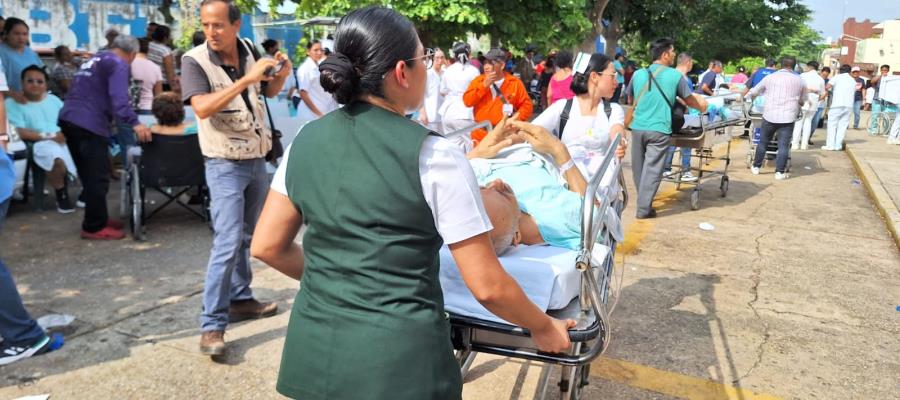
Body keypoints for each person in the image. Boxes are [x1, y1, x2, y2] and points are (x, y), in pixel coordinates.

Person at [250, 7, 573, 399]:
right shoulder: (433, 155)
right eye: (424, 58)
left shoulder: (306, 140)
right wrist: (543, 327)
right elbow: (487, 285)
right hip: (399, 367)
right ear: (402, 72)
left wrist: (342, 281)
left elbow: (267, 246)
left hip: (314, 357)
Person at [181, 0, 291, 357]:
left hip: (256, 158)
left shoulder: (248, 49)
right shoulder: (194, 60)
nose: (211, 32)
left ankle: (240, 299)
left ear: (236, 24)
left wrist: (281, 75)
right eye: (206, 25)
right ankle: (212, 325)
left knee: (247, 236)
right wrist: (245, 77)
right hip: (224, 163)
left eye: (218, 25)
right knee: (227, 242)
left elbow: (266, 92)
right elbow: (201, 108)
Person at [59, 35, 151, 240]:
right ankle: (93, 227)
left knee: (89, 174)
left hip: (70, 118)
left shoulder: (95, 60)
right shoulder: (119, 63)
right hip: (88, 122)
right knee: (98, 176)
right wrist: (135, 122)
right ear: (133, 54)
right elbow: (120, 98)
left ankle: (98, 217)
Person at [624, 38, 707, 218]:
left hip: (637, 127)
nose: (674, 55)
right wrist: (702, 106)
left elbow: (629, 98)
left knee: (639, 168)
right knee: (653, 169)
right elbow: (689, 100)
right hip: (659, 128)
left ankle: (643, 202)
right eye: (673, 52)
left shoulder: (638, 74)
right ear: (665, 54)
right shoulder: (675, 76)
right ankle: (643, 209)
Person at [530, 52, 627, 179]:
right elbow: (532, 130)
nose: (616, 82)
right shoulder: (563, 108)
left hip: (601, 186)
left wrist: (620, 142)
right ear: (594, 77)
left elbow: (617, 129)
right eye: (612, 76)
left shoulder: (613, 110)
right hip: (569, 184)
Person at [5, 65, 77, 213]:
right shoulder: (12, 104)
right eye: (30, 81)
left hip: (62, 138)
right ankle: (61, 195)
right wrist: (50, 136)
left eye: (40, 81)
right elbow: (21, 132)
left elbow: (66, 120)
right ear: (22, 83)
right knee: (55, 158)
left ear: (46, 84)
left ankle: (86, 193)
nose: (35, 85)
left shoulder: (53, 100)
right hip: (37, 142)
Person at [745, 56, 805, 179]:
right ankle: (779, 172)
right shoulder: (800, 80)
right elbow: (803, 100)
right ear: (793, 67)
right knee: (783, 145)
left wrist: (752, 99)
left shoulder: (770, 78)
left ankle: (756, 167)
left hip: (769, 115)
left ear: (780, 65)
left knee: (763, 142)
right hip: (788, 117)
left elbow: (754, 92)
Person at [463, 48, 533, 144]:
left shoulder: (514, 83)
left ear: (502, 65)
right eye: (485, 63)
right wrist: (484, 86)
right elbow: (467, 101)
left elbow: (527, 106)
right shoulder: (478, 81)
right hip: (480, 136)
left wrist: (516, 118)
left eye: (491, 63)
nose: (486, 67)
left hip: (504, 135)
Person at [663, 52, 697, 182]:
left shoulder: (669, 75)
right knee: (686, 142)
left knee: (672, 141)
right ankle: (685, 170)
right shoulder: (684, 79)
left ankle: (666, 169)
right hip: (681, 114)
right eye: (691, 63)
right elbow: (687, 98)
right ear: (688, 63)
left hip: (668, 114)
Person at [438, 42, 480, 135]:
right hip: (465, 114)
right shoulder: (474, 71)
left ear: (455, 55)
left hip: (447, 113)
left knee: (452, 146)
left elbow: (442, 91)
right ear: (468, 54)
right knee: (470, 147)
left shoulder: (448, 70)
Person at [0, 18, 43, 103]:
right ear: (6, 34)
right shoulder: (2, 52)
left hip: (33, 100)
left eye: (24, 34)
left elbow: (42, 73)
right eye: (16, 34)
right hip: (9, 103)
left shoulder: (30, 52)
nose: (21, 38)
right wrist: (13, 94)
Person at [296, 40, 338, 119]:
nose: (319, 53)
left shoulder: (319, 66)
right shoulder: (305, 69)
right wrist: (318, 113)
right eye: (316, 50)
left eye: (321, 50)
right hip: (309, 115)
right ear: (308, 51)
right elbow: (303, 93)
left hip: (321, 113)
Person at [792, 60, 825, 150]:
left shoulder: (802, 76)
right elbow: (823, 93)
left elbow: (797, 88)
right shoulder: (820, 79)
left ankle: (795, 144)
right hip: (814, 102)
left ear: (809, 67)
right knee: (808, 122)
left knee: (799, 123)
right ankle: (804, 144)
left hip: (803, 101)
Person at [823, 64, 856, 151]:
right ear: (849, 71)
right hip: (848, 106)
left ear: (840, 70)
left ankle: (830, 145)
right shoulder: (853, 80)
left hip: (837, 104)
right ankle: (838, 146)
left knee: (832, 125)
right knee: (842, 126)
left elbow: (827, 86)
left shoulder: (837, 77)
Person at [132, 38, 164, 114]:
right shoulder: (155, 67)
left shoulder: (126, 65)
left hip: (128, 108)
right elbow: (158, 95)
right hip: (148, 107)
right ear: (148, 50)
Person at [418, 47, 445, 129]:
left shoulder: (445, 73)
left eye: (442, 57)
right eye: (437, 58)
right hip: (429, 117)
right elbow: (419, 93)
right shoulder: (427, 74)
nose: (440, 60)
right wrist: (422, 113)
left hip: (443, 117)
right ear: (432, 59)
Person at [148, 25, 179, 92]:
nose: (171, 37)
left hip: (151, 81)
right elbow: (169, 73)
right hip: (163, 85)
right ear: (165, 37)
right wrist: (173, 89)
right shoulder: (165, 51)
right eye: (170, 35)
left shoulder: (149, 45)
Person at [810, 66, 831, 140]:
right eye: (824, 74)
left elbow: (826, 93)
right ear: (821, 72)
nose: (825, 76)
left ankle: (809, 137)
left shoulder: (828, 82)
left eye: (826, 75)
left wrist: (819, 99)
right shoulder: (816, 79)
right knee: (808, 121)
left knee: (815, 123)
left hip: (820, 105)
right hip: (812, 104)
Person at [868, 64, 891, 135]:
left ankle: (886, 131)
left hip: (886, 101)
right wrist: (881, 76)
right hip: (877, 99)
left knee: (886, 116)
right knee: (875, 115)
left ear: (888, 71)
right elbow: (872, 81)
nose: (884, 71)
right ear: (880, 70)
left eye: (886, 70)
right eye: (883, 70)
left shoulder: (890, 78)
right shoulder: (878, 77)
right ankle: (873, 130)